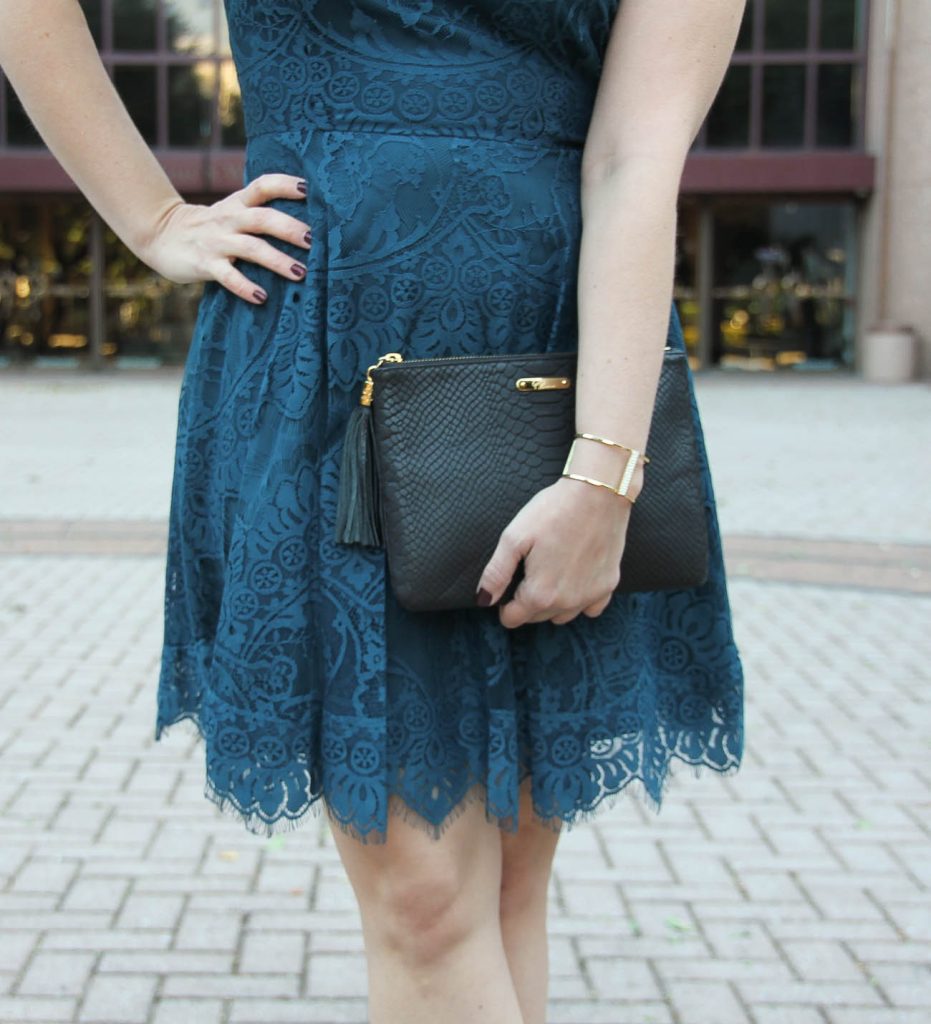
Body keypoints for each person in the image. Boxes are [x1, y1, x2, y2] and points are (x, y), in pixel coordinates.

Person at [0, 1, 747, 1021]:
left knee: (509, 883)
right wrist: (154, 218)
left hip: (559, 356)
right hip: (329, 346)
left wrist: (602, 474)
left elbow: (633, 160)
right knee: (429, 903)